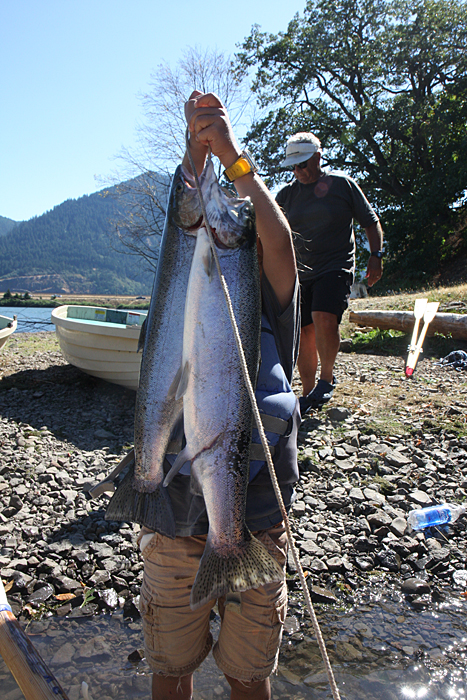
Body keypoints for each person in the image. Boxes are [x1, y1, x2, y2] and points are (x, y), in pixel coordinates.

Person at [137, 92, 301, 700]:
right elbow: (181, 224)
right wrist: (194, 154)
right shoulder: (173, 300)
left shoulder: (269, 298)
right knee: (170, 667)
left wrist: (233, 158)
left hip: (256, 524)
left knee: (247, 677)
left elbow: (279, 243)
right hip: (173, 521)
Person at [276, 132, 384, 414]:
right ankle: (308, 391)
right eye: (293, 166)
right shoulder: (286, 196)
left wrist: (376, 256)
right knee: (304, 331)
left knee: (323, 316)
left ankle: (326, 379)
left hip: (336, 265)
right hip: (300, 272)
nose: (298, 171)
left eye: (303, 164)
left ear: (318, 157)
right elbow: (271, 232)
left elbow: (370, 221)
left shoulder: (342, 185)